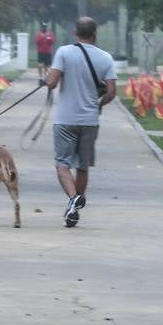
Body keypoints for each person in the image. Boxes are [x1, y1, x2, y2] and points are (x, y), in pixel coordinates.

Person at [45, 17, 116, 227]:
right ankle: (74, 207)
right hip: (90, 121)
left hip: (65, 119)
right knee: (82, 167)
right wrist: (99, 105)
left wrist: (47, 80)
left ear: (75, 32)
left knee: (62, 164)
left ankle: (72, 199)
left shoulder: (64, 52)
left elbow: (52, 82)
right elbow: (111, 92)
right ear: (95, 34)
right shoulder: (106, 58)